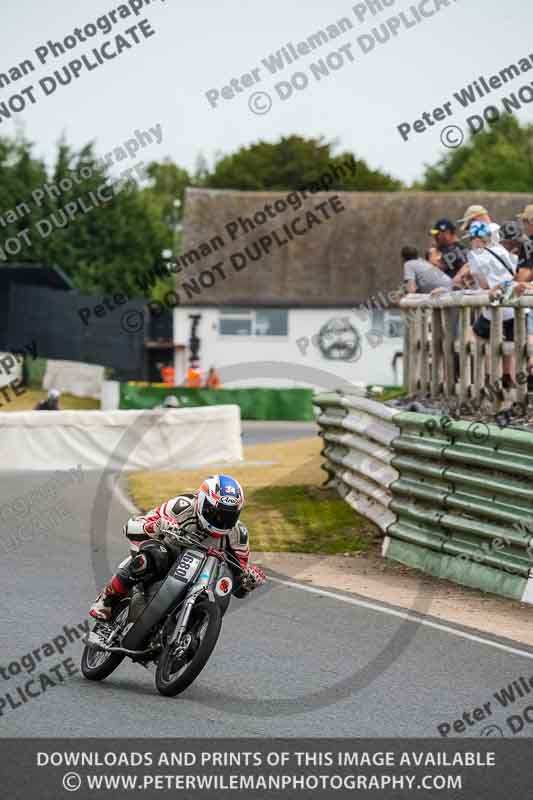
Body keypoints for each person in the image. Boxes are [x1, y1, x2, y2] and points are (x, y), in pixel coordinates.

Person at [89, 474, 266, 620]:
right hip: (167, 560)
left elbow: (237, 586)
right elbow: (130, 528)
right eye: (216, 513)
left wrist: (248, 581)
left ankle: (190, 632)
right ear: (202, 502)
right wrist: (156, 526)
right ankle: (107, 600)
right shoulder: (182, 506)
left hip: (202, 578)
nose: (221, 521)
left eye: (229, 516)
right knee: (152, 556)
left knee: (222, 584)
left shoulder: (238, 534)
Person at [462, 221, 518, 386]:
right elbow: (513, 274)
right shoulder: (501, 250)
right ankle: (507, 375)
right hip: (514, 304)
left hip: (495, 305)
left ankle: (488, 375)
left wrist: (472, 282)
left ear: (476, 238)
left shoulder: (475, 255)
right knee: (510, 339)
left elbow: (484, 284)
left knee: (476, 333)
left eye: (471, 238)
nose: (470, 242)